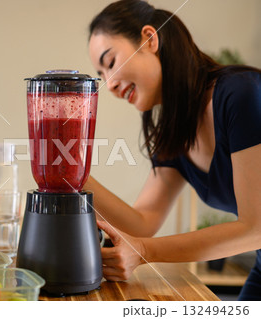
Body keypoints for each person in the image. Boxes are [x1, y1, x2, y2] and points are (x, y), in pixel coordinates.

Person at [86, 0, 261, 300]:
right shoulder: (174, 135)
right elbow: (141, 223)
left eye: (111, 62)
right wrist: (73, 174)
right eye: (101, 76)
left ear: (150, 39)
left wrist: (143, 252)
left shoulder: (241, 94)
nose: (110, 84)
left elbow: (255, 228)